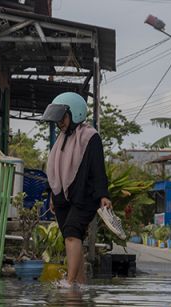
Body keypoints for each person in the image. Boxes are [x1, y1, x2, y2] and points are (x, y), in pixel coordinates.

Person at [41, 93, 112, 285]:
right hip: (63, 197)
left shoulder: (90, 137)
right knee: (71, 238)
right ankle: (80, 283)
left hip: (84, 196)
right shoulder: (61, 139)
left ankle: (70, 283)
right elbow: (54, 169)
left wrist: (103, 195)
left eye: (62, 118)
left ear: (75, 114)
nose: (59, 123)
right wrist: (53, 197)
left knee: (72, 233)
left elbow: (98, 168)